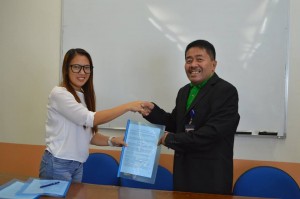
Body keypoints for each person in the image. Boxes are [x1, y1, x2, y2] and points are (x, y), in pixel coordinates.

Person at [141, 40, 240, 194]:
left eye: (199, 59)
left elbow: (211, 134)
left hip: (210, 180)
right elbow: (175, 124)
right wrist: (153, 112)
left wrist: (169, 139)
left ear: (213, 64)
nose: (193, 64)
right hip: (183, 176)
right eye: (188, 60)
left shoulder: (225, 91)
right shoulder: (184, 92)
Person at [39, 48, 144, 183]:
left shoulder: (82, 95)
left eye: (87, 68)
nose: (82, 72)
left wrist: (112, 140)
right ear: (66, 69)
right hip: (58, 164)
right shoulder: (59, 94)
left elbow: (88, 134)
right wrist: (128, 106)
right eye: (76, 67)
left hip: (77, 165)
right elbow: (90, 119)